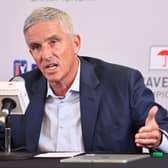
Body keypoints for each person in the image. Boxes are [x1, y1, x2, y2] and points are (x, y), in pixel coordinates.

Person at [1, 6, 168, 154]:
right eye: (36, 47)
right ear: (31, 54)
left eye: (53, 42)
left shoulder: (122, 83)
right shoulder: (20, 87)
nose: (45, 55)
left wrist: (158, 137)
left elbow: (161, 126)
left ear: (75, 43)